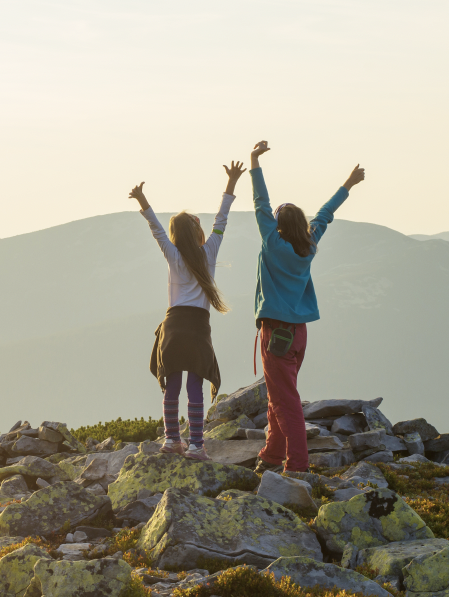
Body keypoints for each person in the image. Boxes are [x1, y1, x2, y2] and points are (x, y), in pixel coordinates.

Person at [249, 140, 365, 473]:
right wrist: (348, 184)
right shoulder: (309, 243)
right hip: (298, 335)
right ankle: (272, 455)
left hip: (275, 334)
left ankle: (297, 468)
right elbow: (326, 213)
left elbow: (261, 202)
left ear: (278, 226)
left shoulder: (273, 243)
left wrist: (254, 162)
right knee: (280, 396)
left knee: (287, 404)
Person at [130, 160, 246, 461]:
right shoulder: (209, 253)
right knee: (195, 385)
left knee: (173, 386)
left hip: (173, 325)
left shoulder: (173, 255)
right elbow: (222, 219)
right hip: (196, 327)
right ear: (197, 234)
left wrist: (143, 201)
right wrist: (231, 183)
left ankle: (171, 440)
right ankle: (196, 445)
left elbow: (156, 229)